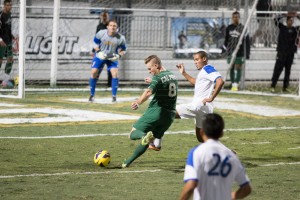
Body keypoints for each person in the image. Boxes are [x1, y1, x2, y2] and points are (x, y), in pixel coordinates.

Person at [149, 51, 224, 151]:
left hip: (198, 106)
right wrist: (184, 73)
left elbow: (220, 81)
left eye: (197, 59)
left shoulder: (208, 68)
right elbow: (196, 83)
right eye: (194, 60)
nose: (195, 62)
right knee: (202, 137)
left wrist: (212, 97)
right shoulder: (204, 72)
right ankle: (227, 151)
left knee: (166, 113)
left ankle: (156, 144)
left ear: (204, 59)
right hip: (204, 109)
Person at [121, 55, 178, 168]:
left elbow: (148, 92)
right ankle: (126, 163)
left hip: (156, 112)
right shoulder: (172, 75)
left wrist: (138, 102)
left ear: (156, 65)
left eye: (149, 68)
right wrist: (153, 80)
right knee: (149, 140)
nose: (149, 71)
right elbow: (164, 84)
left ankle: (142, 136)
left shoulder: (158, 78)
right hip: (169, 116)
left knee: (132, 133)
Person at [179, 113, 252, 200]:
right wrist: (229, 197)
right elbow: (246, 189)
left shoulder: (196, 152)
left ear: (201, 132)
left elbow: (191, 185)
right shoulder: (232, 156)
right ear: (221, 133)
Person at [89, 19, 126, 102]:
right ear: (107, 27)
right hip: (100, 56)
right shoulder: (101, 33)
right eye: (111, 25)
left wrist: (119, 55)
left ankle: (114, 96)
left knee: (115, 73)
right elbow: (94, 43)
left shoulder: (120, 38)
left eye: (114, 26)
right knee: (94, 72)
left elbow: (124, 49)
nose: (112, 27)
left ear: (117, 28)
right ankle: (92, 95)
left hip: (112, 57)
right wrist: (98, 52)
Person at [270, 12, 300, 93]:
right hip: (281, 52)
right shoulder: (282, 28)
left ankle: (285, 87)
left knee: (288, 71)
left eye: (291, 20)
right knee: (278, 69)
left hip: (290, 53)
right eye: (289, 20)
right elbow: (275, 20)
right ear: (286, 21)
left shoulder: (295, 30)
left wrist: (297, 16)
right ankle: (273, 85)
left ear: (293, 21)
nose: (290, 22)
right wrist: (284, 15)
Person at [223, 11, 250, 91]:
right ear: (232, 18)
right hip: (230, 51)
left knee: (238, 67)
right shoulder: (229, 28)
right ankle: (232, 82)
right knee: (231, 67)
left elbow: (247, 42)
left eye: (237, 17)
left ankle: (235, 84)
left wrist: (248, 53)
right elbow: (226, 40)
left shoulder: (243, 28)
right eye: (234, 17)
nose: (235, 18)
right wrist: (223, 50)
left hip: (239, 51)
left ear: (239, 18)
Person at [94, 11, 112, 88]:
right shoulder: (99, 26)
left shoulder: (111, 25)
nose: (104, 17)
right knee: (98, 68)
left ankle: (110, 85)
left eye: (106, 16)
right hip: (101, 50)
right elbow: (96, 38)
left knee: (111, 69)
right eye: (103, 16)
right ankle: (93, 83)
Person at [0, 0, 14, 82]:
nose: (10, 6)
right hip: (1, 42)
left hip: (8, 41)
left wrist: (12, 35)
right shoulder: (1, 15)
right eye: (8, 5)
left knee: (10, 60)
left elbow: (7, 27)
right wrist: (0, 40)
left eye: (10, 5)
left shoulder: (10, 14)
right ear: (4, 6)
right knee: (0, 61)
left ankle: (5, 81)